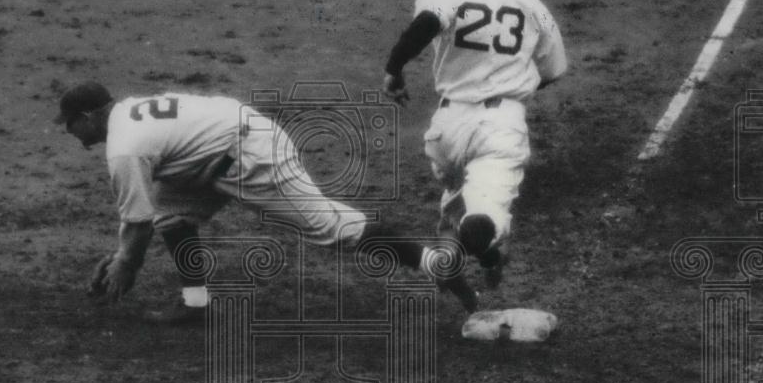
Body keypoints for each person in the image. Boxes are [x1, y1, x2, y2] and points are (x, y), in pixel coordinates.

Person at [54, 81, 478, 322]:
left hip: (251, 155)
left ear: (89, 116)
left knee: (331, 229)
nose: (70, 133)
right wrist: (120, 256)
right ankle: (196, 304)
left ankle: (438, 266)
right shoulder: (128, 112)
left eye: (69, 124)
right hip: (214, 152)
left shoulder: (124, 147)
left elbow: (136, 223)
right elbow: (144, 217)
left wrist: (125, 262)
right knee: (171, 216)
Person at [382, 0, 567, 290]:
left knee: (456, 201)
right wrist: (514, 88)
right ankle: (482, 242)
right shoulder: (529, 1)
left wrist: (394, 68)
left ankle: (460, 251)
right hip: (501, 129)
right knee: (487, 213)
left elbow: (426, 26)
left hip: (447, 129)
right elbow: (555, 68)